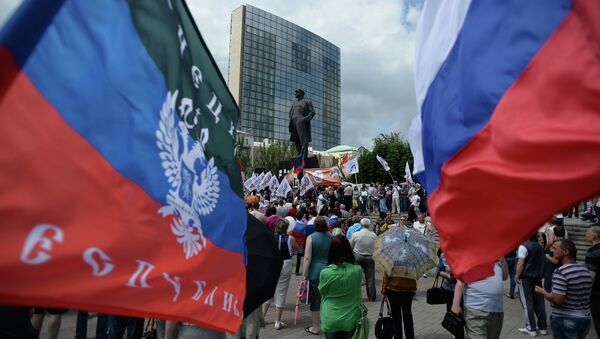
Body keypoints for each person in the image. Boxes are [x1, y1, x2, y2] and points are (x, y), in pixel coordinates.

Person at [535, 239, 593, 339]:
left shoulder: (561, 271)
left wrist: (543, 292)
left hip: (566, 319)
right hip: (585, 319)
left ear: (566, 252)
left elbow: (558, 299)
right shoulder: (585, 269)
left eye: (555, 248)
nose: (552, 251)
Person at [319, 235, 363, 339]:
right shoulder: (357, 270)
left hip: (330, 316)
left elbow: (322, 291)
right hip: (350, 317)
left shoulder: (326, 272)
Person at [452, 259, 508, 339]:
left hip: (496, 310)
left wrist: (502, 260)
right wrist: (455, 305)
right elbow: (460, 282)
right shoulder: (471, 257)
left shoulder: (497, 257)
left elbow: (505, 276)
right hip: (475, 310)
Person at [263, 219, 299, 330]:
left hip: (273, 263)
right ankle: (277, 321)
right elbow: (297, 249)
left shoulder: (270, 237)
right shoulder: (290, 239)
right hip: (285, 263)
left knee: (269, 290)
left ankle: (263, 317)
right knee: (281, 291)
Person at [303, 217, 332, 335]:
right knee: (328, 298)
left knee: (315, 300)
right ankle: (328, 323)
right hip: (329, 271)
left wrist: (304, 274)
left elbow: (307, 258)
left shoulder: (311, 238)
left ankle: (315, 327)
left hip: (315, 272)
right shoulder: (331, 236)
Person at [516, 234, 548, 336]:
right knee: (539, 303)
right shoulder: (540, 246)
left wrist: (517, 276)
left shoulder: (523, 246)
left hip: (526, 279)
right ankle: (543, 327)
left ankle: (531, 328)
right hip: (537, 278)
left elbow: (520, 263)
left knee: (527, 304)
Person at [382, 269, 417, 339]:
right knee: (407, 315)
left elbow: (387, 275)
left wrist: (383, 290)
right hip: (408, 289)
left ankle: (398, 337)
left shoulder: (393, 259)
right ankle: (410, 336)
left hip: (394, 289)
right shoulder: (412, 260)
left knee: (396, 317)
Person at [349, 217, 377, 302]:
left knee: (357, 277)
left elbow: (351, 245)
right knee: (370, 277)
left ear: (361, 225)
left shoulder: (356, 234)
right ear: (369, 225)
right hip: (369, 256)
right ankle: (371, 297)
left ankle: (356, 296)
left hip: (358, 256)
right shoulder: (373, 235)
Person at [437, 252, 464, 339]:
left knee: (464, 317)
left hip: (464, 292)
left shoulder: (465, 254)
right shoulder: (443, 255)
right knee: (454, 318)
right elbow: (438, 270)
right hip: (449, 290)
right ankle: (457, 335)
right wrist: (447, 275)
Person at [288, 89, 315, 157]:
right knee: (296, 139)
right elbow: (290, 112)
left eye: (297, 92)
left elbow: (312, 112)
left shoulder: (307, 101)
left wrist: (305, 119)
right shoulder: (294, 103)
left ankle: (303, 155)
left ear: (301, 93)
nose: (295, 94)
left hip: (301, 121)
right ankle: (298, 153)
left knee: (303, 139)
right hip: (293, 122)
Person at [585, 226, 600, 335]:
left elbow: (591, 276)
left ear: (594, 236)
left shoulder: (592, 252)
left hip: (597, 292)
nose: (586, 234)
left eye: (588, 232)